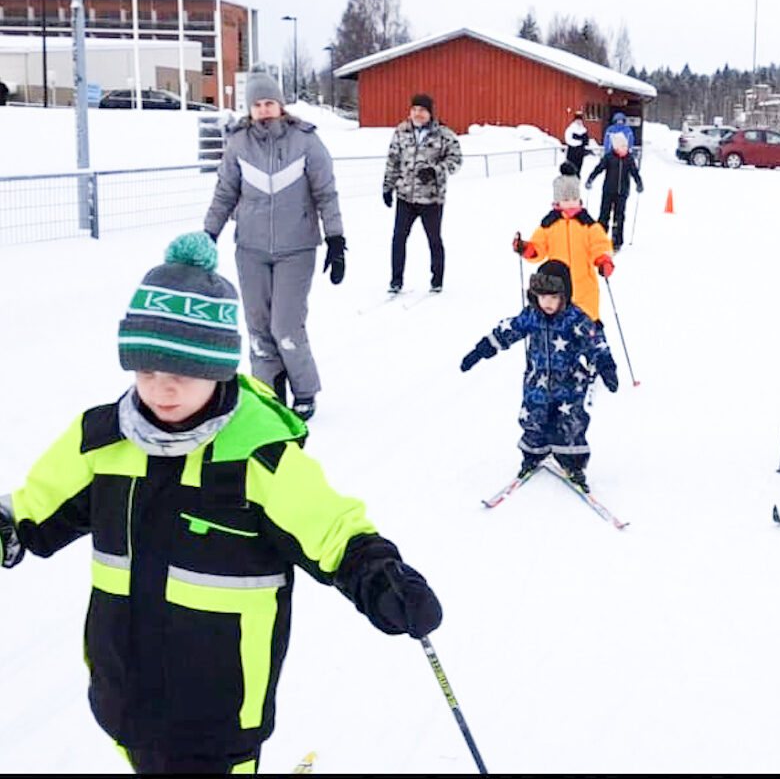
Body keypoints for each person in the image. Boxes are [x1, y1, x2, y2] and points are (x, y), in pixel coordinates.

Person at [0, 232, 442, 775]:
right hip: (125, 696)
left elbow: (331, 528)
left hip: (218, 712)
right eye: (146, 372)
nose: (161, 390)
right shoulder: (102, 441)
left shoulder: (256, 458)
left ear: (219, 369)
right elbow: (33, 511)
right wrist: (9, 526)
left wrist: (377, 574)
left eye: (181, 375)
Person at [204, 64, 346, 421]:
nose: (264, 109)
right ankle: (268, 392)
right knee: (258, 327)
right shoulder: (237, 143)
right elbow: (224, 193)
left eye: (270, 102)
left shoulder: (306, 141)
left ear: (281, 105)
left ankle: (304, 389)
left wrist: (336, 238)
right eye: (257, 104)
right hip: (250, 248)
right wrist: (209, 233)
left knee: (285, 325)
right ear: (249, 109)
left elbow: (326, 193)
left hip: (296, 248)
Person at [460, 260, 618, 491]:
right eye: (542, 297)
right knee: (534, 420)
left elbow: (595, 341)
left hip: (570, 385)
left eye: (553, 297)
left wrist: (606, 365)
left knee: (571, 424)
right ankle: (533, 456)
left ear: (565, 295)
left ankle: (573, 465)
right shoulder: (531, 316)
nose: (547, 303)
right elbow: (508, 330)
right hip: (537, 384)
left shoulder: (575, 318)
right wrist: (481, 350)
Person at [513, 162, 614, 323]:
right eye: (566, 199)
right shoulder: (549, 225)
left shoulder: (587, 224)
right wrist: (526, 248)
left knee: (586, 319)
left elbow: (599, 244)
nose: (572, 203)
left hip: (584, 286)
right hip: (557, 288)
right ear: (557, 202)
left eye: (575, 198)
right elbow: (539, 248)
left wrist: (603, 260)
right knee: (560, 323)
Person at [382, 93, 462, 294]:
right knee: (398, 238)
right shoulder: (401, 132)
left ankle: (437, 280)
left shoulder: (444, 135)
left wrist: (435, 171)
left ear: (430, 113)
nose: (418, 114)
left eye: (422, 111)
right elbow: (392, 161)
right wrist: (387, 187)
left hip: (431, 198)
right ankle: (396, 280)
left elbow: (456, 161)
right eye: (415, 110)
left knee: (434, 239)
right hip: (405, 196)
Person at [585, 132, 644, 251]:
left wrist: (639, 183)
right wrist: (590, 179)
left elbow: (634, 173)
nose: (625, 149)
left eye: (626, 146)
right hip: (608, 190)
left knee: (619, 216)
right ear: (616, 147)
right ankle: (599, 238)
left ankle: (617, 241)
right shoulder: (609, 157)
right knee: (604, 215)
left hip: (622, 192)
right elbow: (599, 168)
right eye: (622, 147)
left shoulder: (629, 159)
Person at [563, 110, 589, 175]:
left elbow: (586, 141)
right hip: (572, 152)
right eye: (578, 119)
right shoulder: (571, 129)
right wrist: (579, 142)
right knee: (570, 168)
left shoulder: (584, 130)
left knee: (578, 169)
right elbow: (568, 140)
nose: (579, 121)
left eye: (580, 119)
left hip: (580, 153)